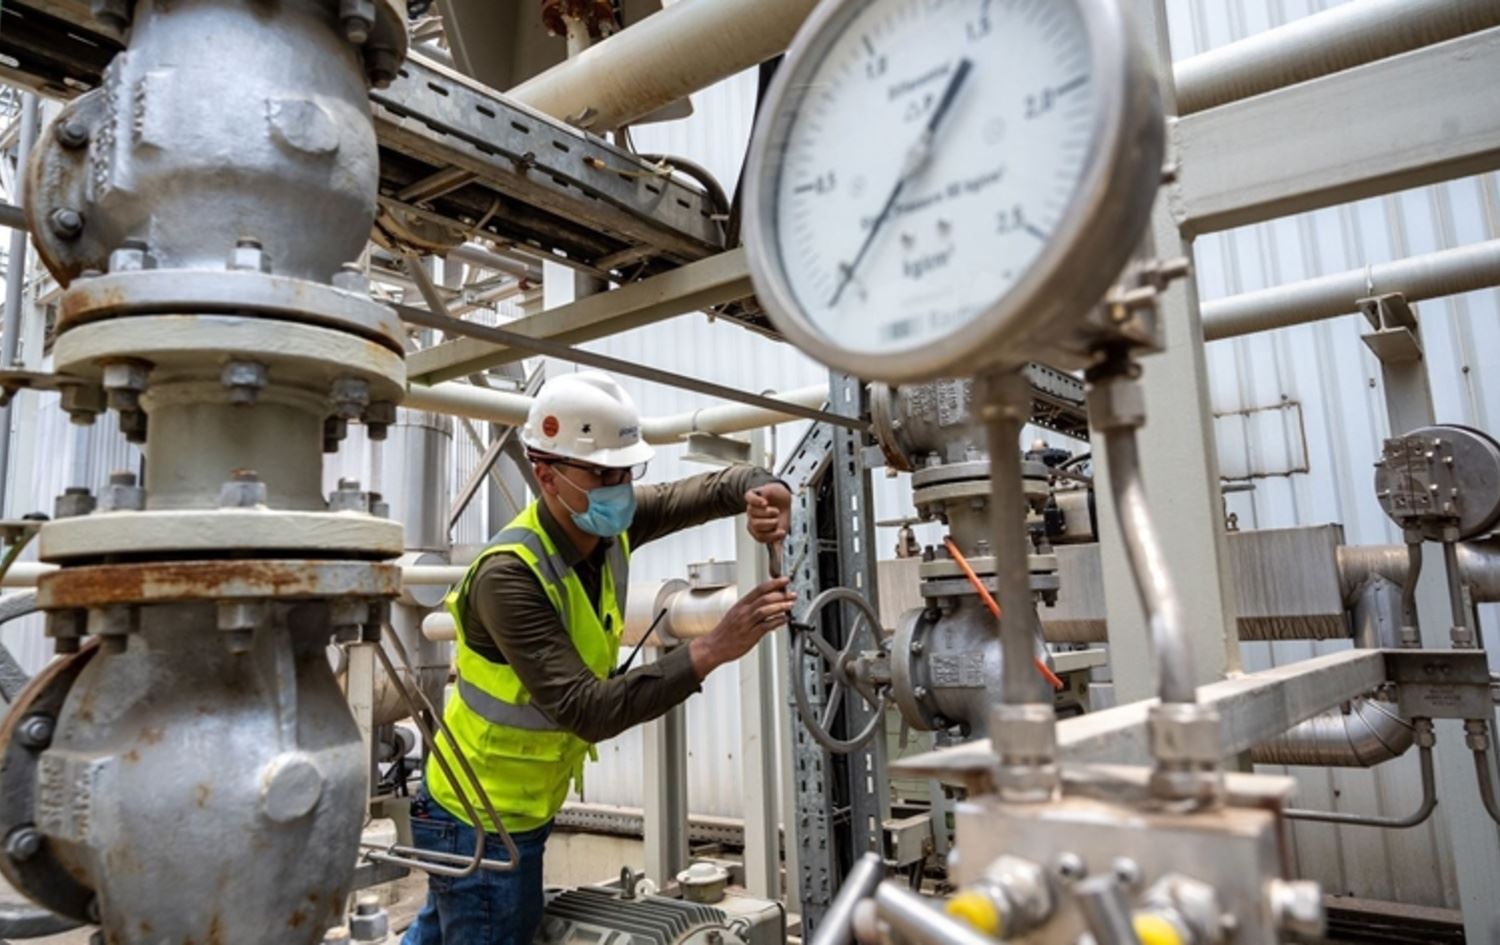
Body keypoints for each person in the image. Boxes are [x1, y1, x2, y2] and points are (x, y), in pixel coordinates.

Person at [401, 371, 796, 944]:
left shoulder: (608, 526)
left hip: (511, 807)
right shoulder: (509, 576)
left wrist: (763, 489)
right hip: (480, 817)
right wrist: (713, 647)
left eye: (626, 472)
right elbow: (586, 709)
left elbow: (711, 491)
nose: (619, 488)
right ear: (546, 474)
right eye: (603, 474)